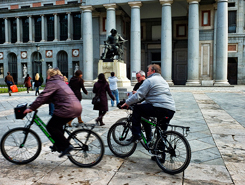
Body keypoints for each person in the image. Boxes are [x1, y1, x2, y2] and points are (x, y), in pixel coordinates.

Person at [23, 68, 82, 158]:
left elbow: (43, 95)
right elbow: (49, 98)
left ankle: (67, 146)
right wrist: (36, 104)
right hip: (75, 107)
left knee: (51, 126)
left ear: (50, 75)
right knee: (58, 126)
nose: (47, 77)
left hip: (67, 108)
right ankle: (58, 145)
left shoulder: (53, 82)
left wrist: (32, 108)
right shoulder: (60, 82)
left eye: (47, 75)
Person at [121, 64, 176, 144]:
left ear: (153, 71)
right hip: (170, 109)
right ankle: (159, 155)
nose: (147, 72)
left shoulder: (150, 80)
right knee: (161, 134)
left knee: (136, 108)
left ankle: (136, 134)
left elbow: (139, 95)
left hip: (159, 108)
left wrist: (127, 103)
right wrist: (142, 104)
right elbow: (151, 99)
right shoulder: (163, 81)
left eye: (148, 70)